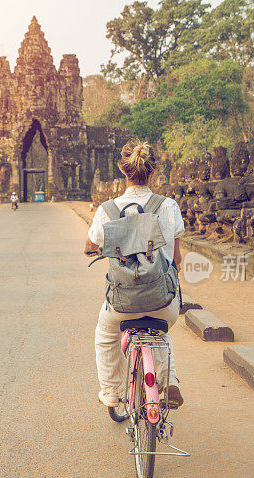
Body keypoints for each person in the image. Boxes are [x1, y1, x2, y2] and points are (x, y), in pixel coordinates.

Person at [84, 139, 185, 409]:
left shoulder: (107, 210)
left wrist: (94, 249)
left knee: (105, 334)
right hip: (162, 301)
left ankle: (111, 391)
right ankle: (169, 382)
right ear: (153, 172)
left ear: (123, 170)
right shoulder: (168, 206)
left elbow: (90, 244)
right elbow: (176, 259)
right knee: (161, 331)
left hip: (123, 303)